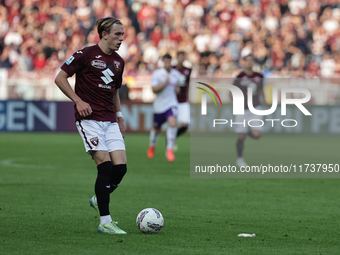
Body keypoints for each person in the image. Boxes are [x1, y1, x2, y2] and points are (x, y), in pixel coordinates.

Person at [54, 17, 127, 234]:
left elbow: (114, 90)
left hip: (110, 119)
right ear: (104, 34)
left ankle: (99, 197)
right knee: (104, 166)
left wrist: (120, 116)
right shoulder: (84, 54)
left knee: (120, 168)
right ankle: (105, 222)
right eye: (117, 34)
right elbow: (60, 78)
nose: (121, 38)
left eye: (122, 34)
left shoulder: (119, 62)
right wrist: (78, 100)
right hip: (89, 119)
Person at [147, 53, 183, 162]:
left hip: (172, 104)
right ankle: (152, 146)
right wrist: (165, 83)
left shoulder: (176, 74)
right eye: (166, 61)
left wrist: (177, 89)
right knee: (157, 129)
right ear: (163, 62)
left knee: (172, 123)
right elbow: (154, 90)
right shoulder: (157, 74)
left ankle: (169, 149)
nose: (168, 63)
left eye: (169, 61)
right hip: (159, 106)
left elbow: (178, 88)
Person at [233, 54, 265, 167]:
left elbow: (261, 90)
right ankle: (240, 159)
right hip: (241, 109)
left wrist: (265, 101)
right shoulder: (239, 77)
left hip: (255, 108)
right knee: (240, 135)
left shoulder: (259, 76)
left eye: (252, 61)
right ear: (244, 63)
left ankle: (246, 134)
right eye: (248, 61)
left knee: (257, 134)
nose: (250, 63)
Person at [174, 51, 192, 145]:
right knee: (172, 123)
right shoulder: (172, 69)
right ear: (177, 58)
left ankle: (173, 137)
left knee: (185, 125)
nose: (181, 59)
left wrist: (188, 95)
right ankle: (169, 145)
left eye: (183, 57)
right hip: (173, 101)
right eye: (179, 57)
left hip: (183, 101)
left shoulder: (188, 70)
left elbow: (188, 84)